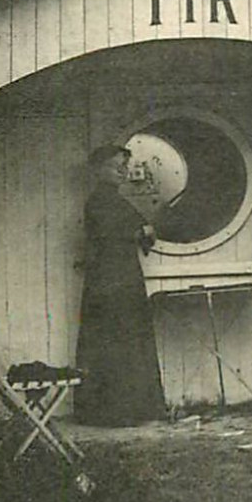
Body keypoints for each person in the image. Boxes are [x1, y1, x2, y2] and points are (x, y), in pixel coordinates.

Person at [76, 143, 168, 426]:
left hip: (123, 276)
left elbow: (143, 231)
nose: (123, 173)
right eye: (117, 168)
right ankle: (113, 413)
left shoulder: (117, 201)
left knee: (127, 340)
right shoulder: (98, 202)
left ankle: (132, 410)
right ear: (98, 170)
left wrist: (143, 229)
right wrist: (140, 230)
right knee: (113, 341)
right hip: (108, 279)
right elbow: (121, 233)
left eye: (125, 168)